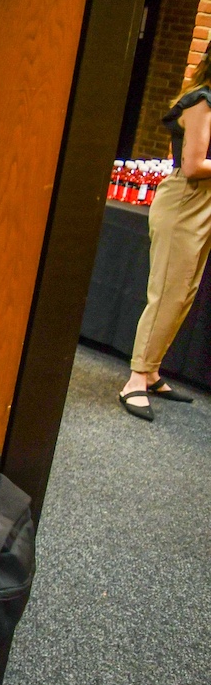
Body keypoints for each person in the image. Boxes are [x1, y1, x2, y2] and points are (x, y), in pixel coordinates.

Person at [120, 55, 211, 420]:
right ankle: (135, 379)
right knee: (167, 294)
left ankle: (152, 369)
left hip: (203, 203)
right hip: (185, 201)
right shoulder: (202, 100)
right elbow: (192, 165)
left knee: (183, 295)